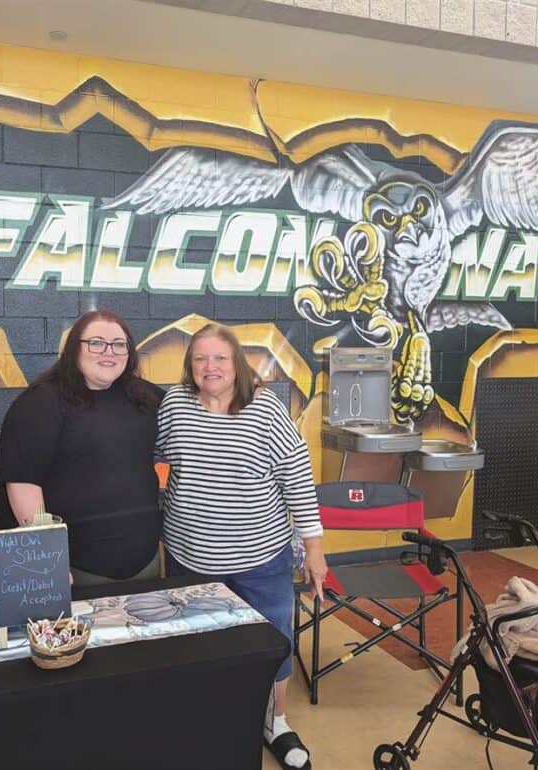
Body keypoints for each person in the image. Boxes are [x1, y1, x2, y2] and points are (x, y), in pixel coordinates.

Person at [156, 323, 328, 770]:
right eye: (199, 358)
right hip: (189, 557)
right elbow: (152, 459)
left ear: (237, 364)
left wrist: (314, 549)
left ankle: (275, 722)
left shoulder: (265, 408)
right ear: (189, 366)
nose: (209, 367)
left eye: (219, 358)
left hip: (261, 559)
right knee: (198, 642)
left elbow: (298, 480)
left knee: (273, 641)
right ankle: (210, 717)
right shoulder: (174, 405)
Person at [0, 310, 163, 585]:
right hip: (76, 570)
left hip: (145, 563)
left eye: (119, 344)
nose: (110, 352)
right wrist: (47, 559)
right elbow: (22, 483)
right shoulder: (41, 402)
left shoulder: (144, 396)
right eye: (96, 343)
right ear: (74, 349)